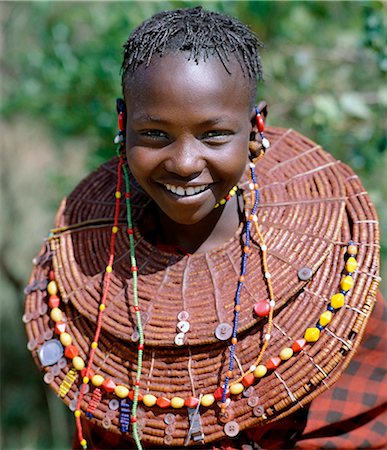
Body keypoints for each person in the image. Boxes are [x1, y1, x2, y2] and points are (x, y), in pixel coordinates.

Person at [24, 7, 385, 450]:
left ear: (256, 128)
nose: (185, 163)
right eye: (155, 134)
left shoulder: (328, 280)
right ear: (123, 124)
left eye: (213, 135)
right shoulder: (87, 278)